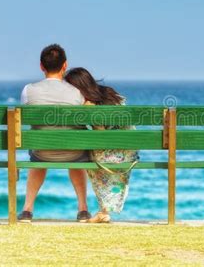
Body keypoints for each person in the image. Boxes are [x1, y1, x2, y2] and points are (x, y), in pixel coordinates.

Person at [17, 44, 91, 223]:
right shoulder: (78, 93)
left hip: (41, 152)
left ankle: (27, 210)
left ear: (41, 66)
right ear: (65, 66)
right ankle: (82, 209)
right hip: (74, 153)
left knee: (38, 154)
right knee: (79, 155)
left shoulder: (28, 91)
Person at [65, 68, 139, 223]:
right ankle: (103, 210)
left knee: (85, 155)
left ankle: (103, 210)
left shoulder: (90, 105)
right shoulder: (111, 94)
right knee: (92, 152)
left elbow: (101, 136)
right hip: (130, 152)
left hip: (113, 154)